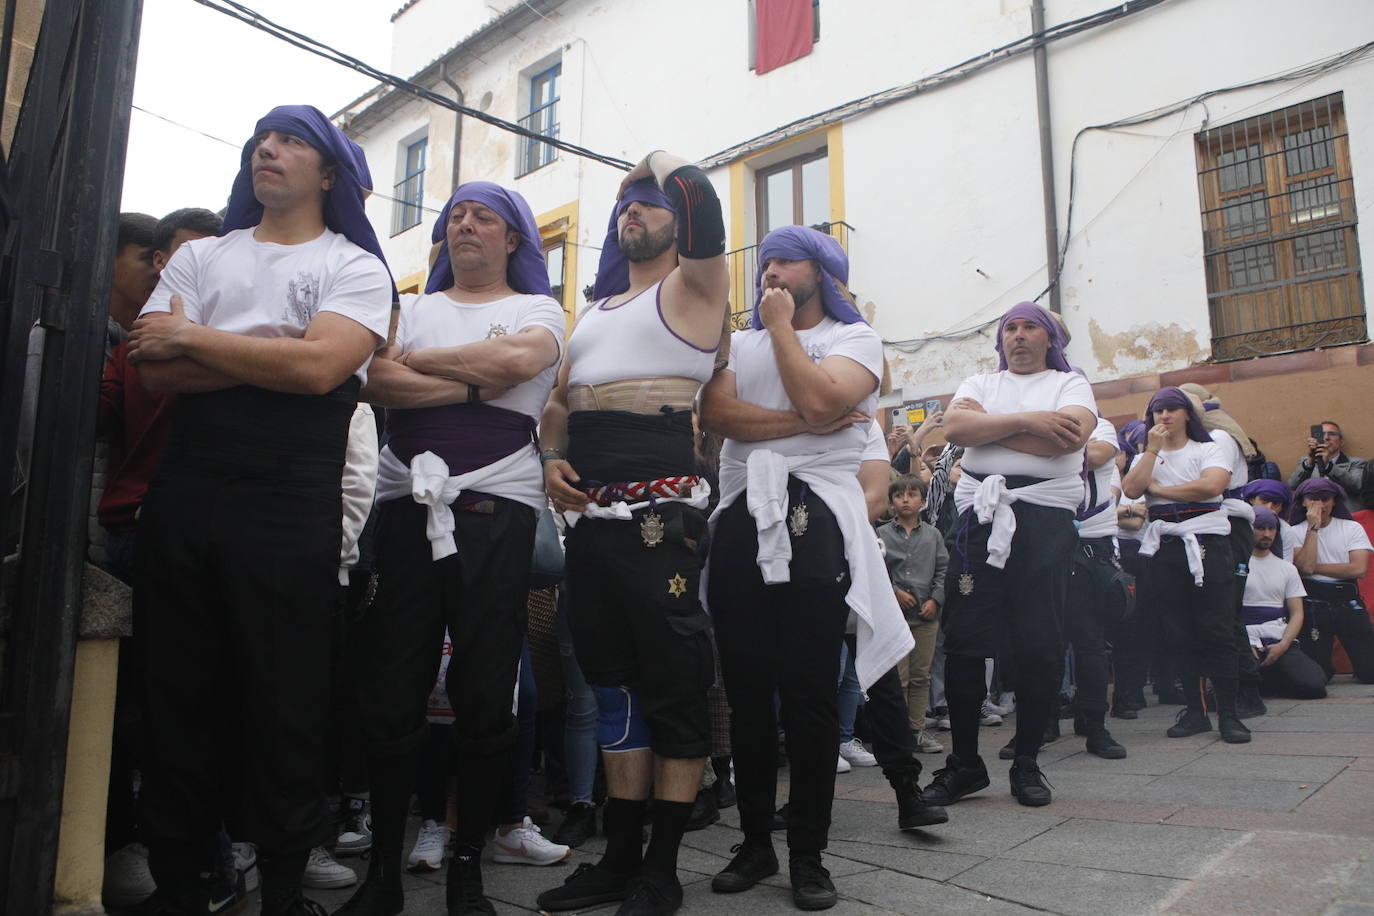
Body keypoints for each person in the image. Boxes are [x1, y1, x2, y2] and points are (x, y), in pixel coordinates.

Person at [126, 106, 393, 916]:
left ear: (328, 175)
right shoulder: (203, 252)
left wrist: (201, 340)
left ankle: (282, 890)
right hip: (190, 488)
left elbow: (324, 374)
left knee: (286, 699)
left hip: (291, 495)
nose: (266, 150)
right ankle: (179, 888)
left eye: (292, 141)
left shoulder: (357, 266)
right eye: (261, 139)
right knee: (175, 693)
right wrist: (284, 348)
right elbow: (152, 367)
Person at [339, 180, 564, 916]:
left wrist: (429, 368)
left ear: (513, 240)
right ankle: (382, 877)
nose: (464, 225)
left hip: (500, 506)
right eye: (454, 217)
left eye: (483, 217)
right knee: (393, 687)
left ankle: (468, 870)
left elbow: (519, 363)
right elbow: (376, 379)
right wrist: (476, 383)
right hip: (408, 505)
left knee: (484, 688)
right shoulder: (415, 306)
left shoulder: (537, 310)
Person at [700, 225, 917, 910]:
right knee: (746, 691)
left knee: (810, 696)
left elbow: (830, 399)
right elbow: (718, 415)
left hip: (816, 514)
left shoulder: (857, 342)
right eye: (764, 260)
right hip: (740, 511)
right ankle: (756, 841)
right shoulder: (736, 342)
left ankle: (809, 852)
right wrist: (810, 421)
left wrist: (782, 332)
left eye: (786, 260)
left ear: (820, 271)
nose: (770, 269)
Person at [536, 150, 729, 916]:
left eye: (651, 204)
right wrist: (552, 455)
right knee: (611, 685)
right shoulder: (596, 312)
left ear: (677, 222)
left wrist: (652, 165)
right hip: (592, 522)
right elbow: (556, 404)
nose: (632, 212)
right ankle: (619, 857)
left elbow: (706, 202)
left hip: (662, 518)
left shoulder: (695, 292)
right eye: (627, 205)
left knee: (675, 686)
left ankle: (663, 866)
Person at [920, 302, 1096, 809]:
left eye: (1029, 327)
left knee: (1041, 644)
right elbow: (954, 432)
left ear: (1049, 340)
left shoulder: (1070, 384)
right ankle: (965, 765)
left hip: (1042, 525)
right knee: (966, 644)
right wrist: (1029, 423)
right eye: (1010, 329)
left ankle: (1027, 764)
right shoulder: (981, 382)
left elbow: (1071, 438)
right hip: (981, 520)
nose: (1018, 336)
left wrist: (991, 428)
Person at [1123, 388, 1250, 744]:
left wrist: (1161, 490)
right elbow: (1132, 489)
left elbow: (1213, 485)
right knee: (1179, 633)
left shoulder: (1207, 448)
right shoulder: (1146, 455)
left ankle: (1229, 714)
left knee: (1218, 631)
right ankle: (1195, 712)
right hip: (1167, 547)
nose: (1163, 417)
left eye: (1170, 410)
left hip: (1208, 545)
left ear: (1186, 415)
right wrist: (1150, 451)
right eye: (1157, 411)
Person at [1064, 414, 1128, 758]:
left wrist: (1043, 446)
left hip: (1090, 548)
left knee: (1089, 643)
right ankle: (1042, 724)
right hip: (1046, 543)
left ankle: (1095, 725)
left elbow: (1099, 454)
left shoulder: (1100, 426)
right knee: (1042, 639)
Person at [879, 475, 948, 754]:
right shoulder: (881, 534)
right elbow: (875, 568)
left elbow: (944, 570)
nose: (905, 500)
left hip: (925, 616)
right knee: (899, 677)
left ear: (922, 500)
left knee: (921, 676)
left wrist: (935, 599)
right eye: (899, 495)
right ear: (891, 502)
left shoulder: (933, 535)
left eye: (912, 494)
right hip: (894, 618)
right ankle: (896, 733)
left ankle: (916, 729)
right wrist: (893, 591)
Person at [1289, 477, 1374, 682]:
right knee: (1319, 675)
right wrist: (1313, 529)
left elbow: (1358, 568)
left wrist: (1313, 568)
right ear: (1302, 502)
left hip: (1346, 599)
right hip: (1313, 602)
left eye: (1325, 499)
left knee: (1370, 672)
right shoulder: (1295, 531)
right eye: (1313, 499)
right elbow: (1304, 567)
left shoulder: (1351, 528)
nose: (1320, 505)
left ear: (1334, 501)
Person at [1242, 507, 1327, 699]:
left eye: (1271, 529)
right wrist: (1243, 642)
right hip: (1243, 638)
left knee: (1314, 685)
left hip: (1277, 635)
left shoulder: (1287, 568)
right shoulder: (1234, 565)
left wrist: (1283, 645)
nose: (1266, 534)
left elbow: (1297, 613)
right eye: (1260, 528)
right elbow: (1226, 610)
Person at [1289, 421, 1366, 514]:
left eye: (1332, 434)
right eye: (1322, 435)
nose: (1326, 438)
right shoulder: (1306, 462)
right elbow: (1293, 485)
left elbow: (1357, 485)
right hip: (1314, 516)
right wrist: (1310, 461)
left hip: (1346, 518)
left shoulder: (1356, 463)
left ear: (1341, 441)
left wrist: (1328, 466)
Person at [1244, 478, 1302, 558]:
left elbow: (1285, 565)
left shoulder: (1285, 531)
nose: (1269, 507)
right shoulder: (1238, 523)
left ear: (1282, 507)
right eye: (1264, 501)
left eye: (1275, 504)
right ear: (1252, 499)